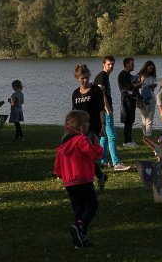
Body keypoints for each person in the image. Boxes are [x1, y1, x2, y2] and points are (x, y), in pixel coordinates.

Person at [54, 110, 103, 248]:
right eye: (86, 122)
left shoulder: (63, 142)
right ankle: (80, 227)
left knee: (79, 209)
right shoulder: (81, 140)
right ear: (80, 126)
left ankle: (80, 239)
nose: (88, 124)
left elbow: (58, 163)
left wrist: (61, 174)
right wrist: (97, 145)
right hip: (82, 179)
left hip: (69, 181)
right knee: (92, 205)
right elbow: (95, 154)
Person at [72, 64, 108, 190]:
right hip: (80, 128)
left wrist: (103, 125)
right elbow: (74, 113)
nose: (85, 80)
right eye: (82, 78)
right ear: (77, 78)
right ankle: (100, 176)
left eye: (87, 77)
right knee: (83, 155)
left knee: (88, 153)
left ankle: (90, 179)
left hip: (94, 126)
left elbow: (101, 109)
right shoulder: (75, 93)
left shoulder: (95, 90)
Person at [92, 56, 130, 172]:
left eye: (112, 64)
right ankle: (116, 163)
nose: (111, 66)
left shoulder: (104, 76)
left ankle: (102, 161)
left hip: (103, 109)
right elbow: (101, 93)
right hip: (105, 109)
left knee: (104, 137)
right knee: (112, 136)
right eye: (109, 64)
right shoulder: (102, 76)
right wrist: (107, 108)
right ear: (104, 64)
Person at [117, 57, 142, 148]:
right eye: (132, 64)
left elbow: (132, 86)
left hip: (131, 100)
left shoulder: (128, 74)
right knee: (128, 121)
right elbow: (128, 88)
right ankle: (126, 142)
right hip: (126, 100)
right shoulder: (123, 74)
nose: (133, 65)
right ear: (126, 64)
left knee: (130, 121)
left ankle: (129, 140)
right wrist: (140, 84)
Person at [137, 61, 157, 138]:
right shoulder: (140, 76)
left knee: (150, 117)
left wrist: (152, 86)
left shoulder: (152, 77)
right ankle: (145, 135)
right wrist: (142, 82)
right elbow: (137, 87)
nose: (151, 70)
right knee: (144, 118)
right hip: (143, 98)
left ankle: (148, 136)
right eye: (150, 68)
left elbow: (152, 89)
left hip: (152, 97)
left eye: (152, 69)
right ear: (146, 67)